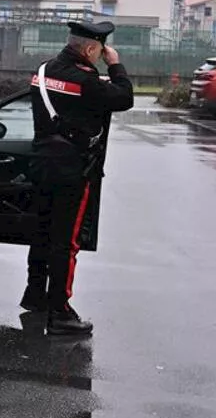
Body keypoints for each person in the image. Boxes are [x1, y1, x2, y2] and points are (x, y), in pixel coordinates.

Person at [23, 20, 135, 335]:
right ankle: (60, 311)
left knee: (41, 232)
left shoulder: (42, 72)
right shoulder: (87, 82)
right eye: (100, 51)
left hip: (41, 164)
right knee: (66, 241)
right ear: (88, 48)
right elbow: (124, 98)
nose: (101, 56)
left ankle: (34, 293)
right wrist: (116, 66)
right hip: (72, 170)